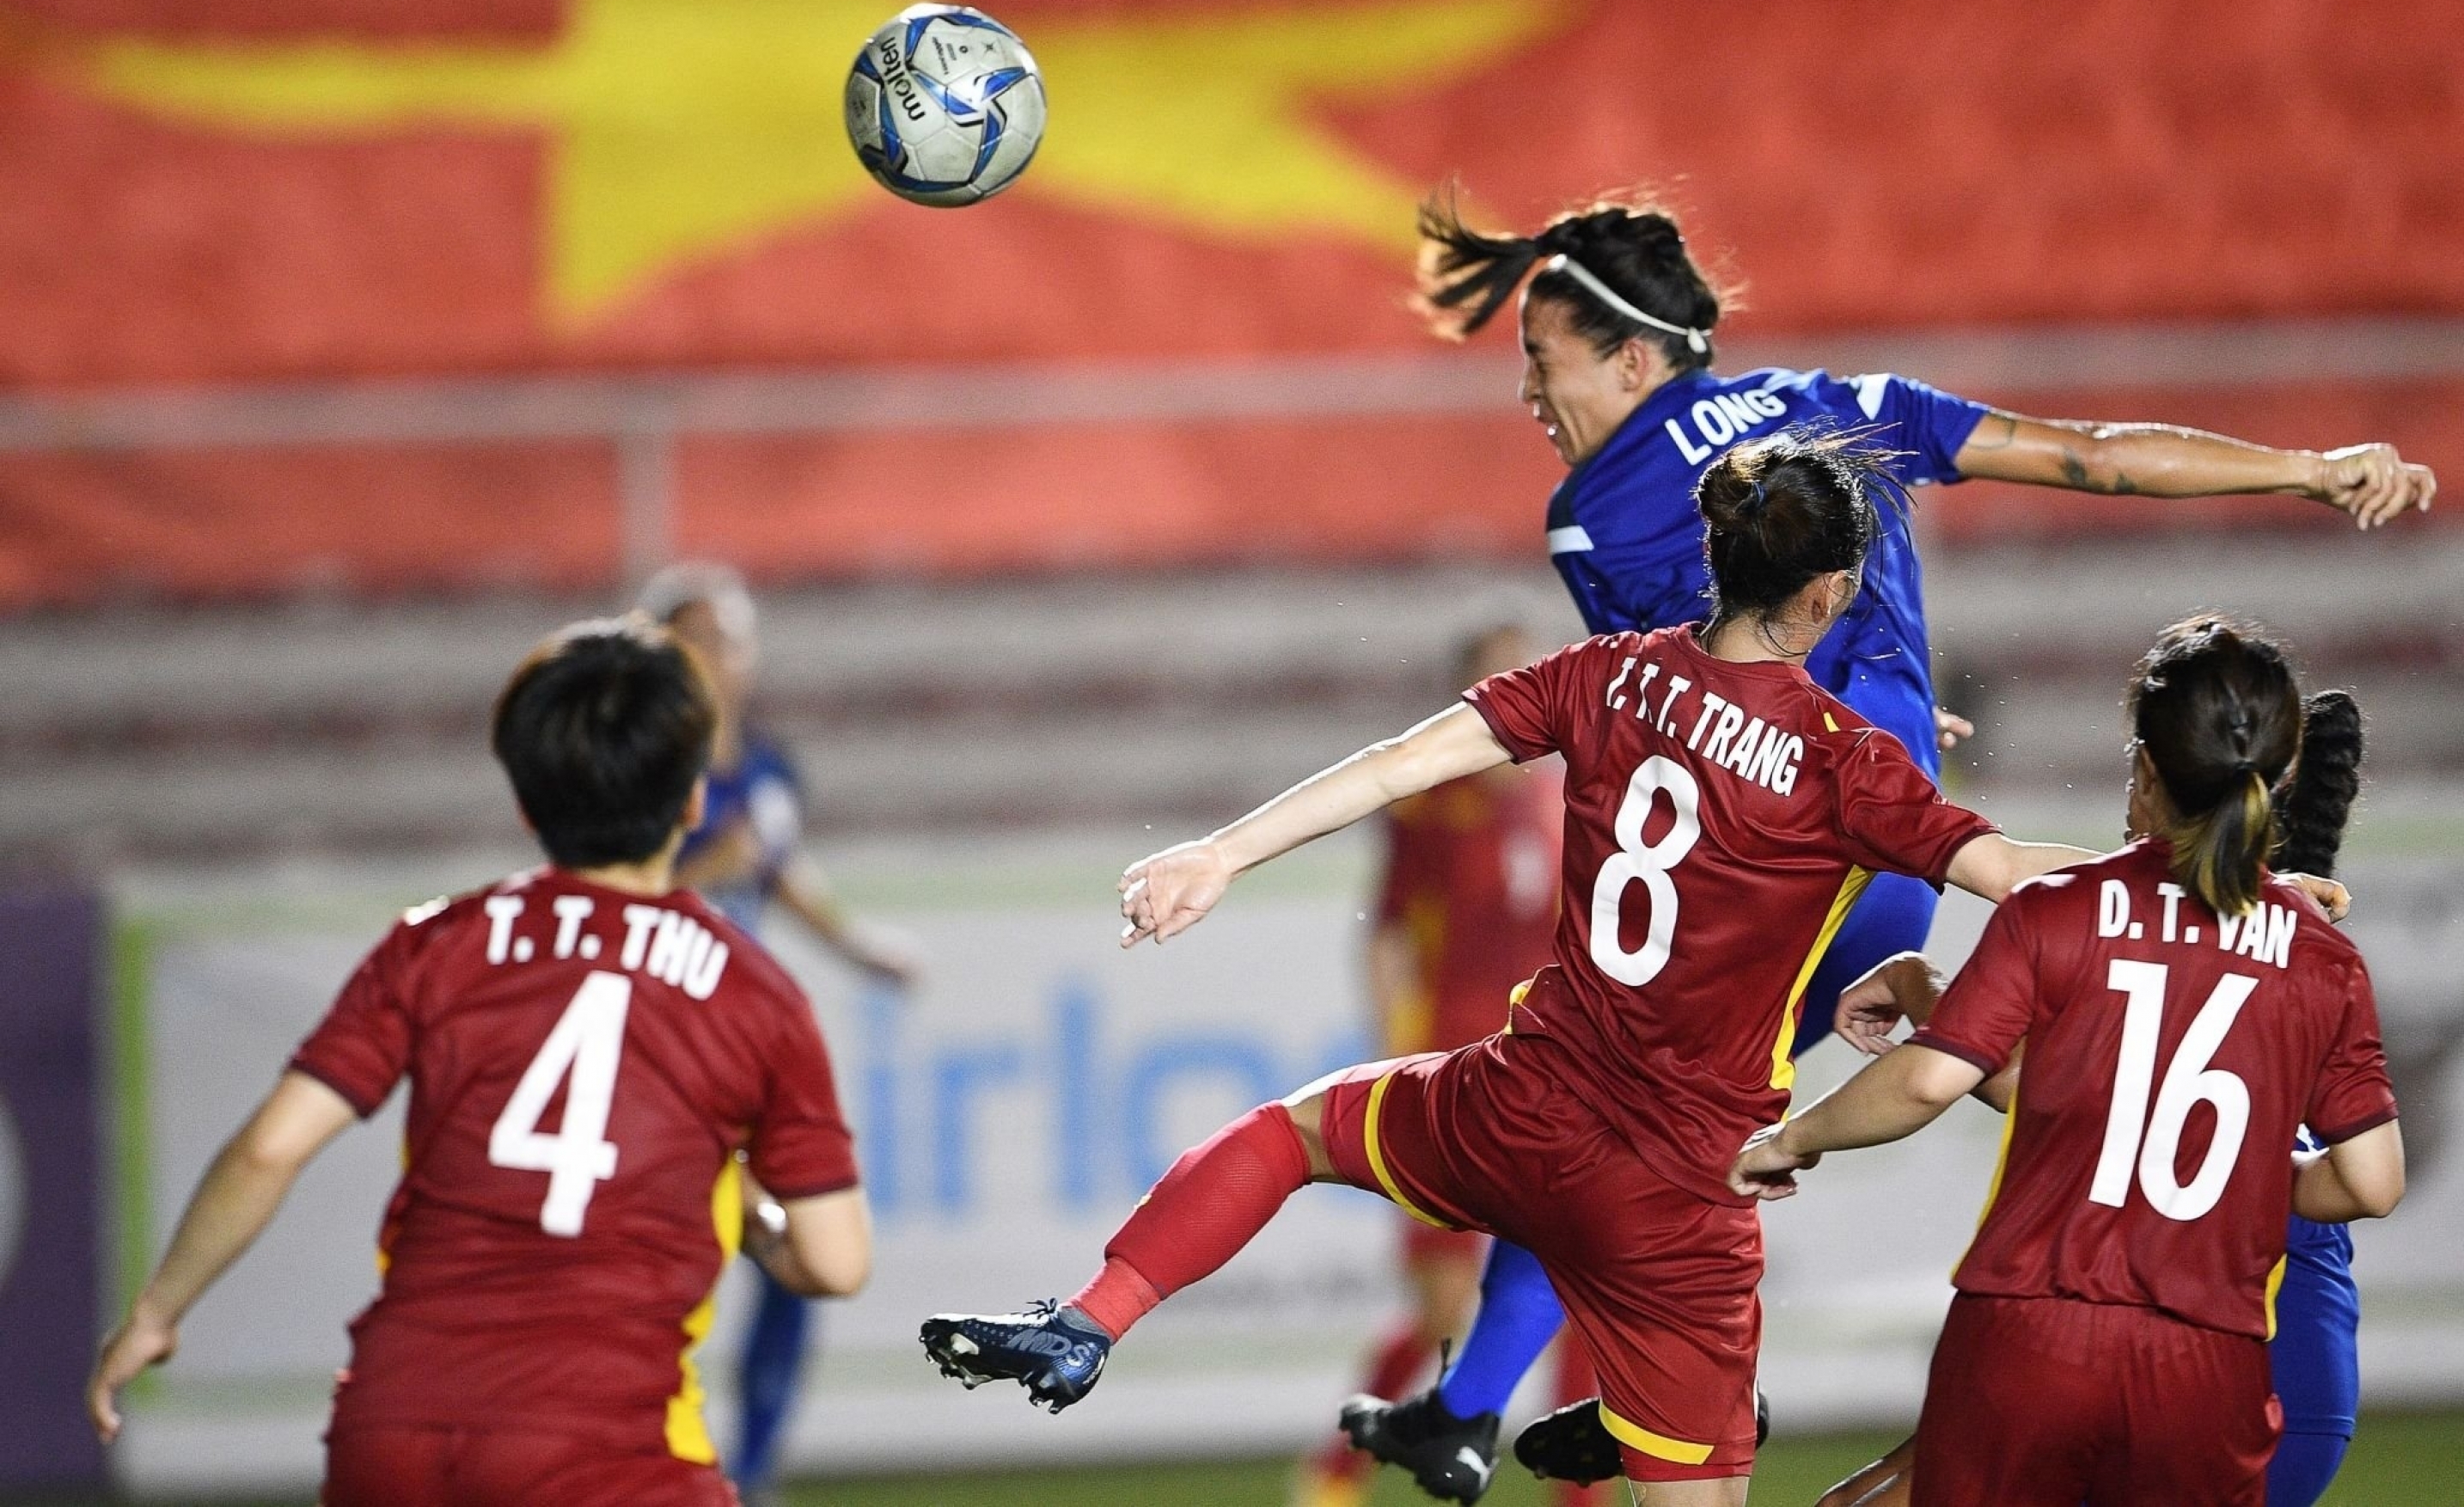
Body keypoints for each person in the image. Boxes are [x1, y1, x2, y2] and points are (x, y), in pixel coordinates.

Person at [1342, 187, 2438, 1498]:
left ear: (1630, 358)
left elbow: (1693, 691)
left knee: (1610, 1110)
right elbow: (2091, 453)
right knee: (1646, 1123)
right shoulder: (1842, 401)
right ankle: (1510, 1397)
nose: (1529, 390)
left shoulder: (1592, 507)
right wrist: (2300, 469)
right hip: (1890, 865)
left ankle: (1591, 1383)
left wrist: (1872, 731)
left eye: (1542, 358)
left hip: (1776, 863)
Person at [920, 432, 2107, 1504]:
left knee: (1289, 1134)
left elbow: (1399, 761)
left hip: (1516, 1111)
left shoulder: (1600, 672)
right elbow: (2012, 872)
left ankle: (1087, 1320)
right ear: (1832, 594)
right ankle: (1578, 1411)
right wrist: (2219, 878)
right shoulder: (1840, 759)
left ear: (1714, 555)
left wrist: (1217, 852)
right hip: (1678, 1192)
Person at [87, 616, 873, 1506]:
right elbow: (835, 1261)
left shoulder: (436, 943)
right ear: (695, 798)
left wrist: (156, 1312)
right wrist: (746, 1202)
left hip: (393, 1434)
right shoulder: (752, 990)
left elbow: (271, 1147)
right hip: (603, 1445)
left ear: (526, 803)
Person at [1731, 617, 2404, 1505]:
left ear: (2148, 766)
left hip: (2035, 1336)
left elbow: (1947, 1077)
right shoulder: (2319, 962)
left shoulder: (2065, 905)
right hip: (2218, 1371)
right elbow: (2369, 1181)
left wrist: (1784, 1139)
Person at [1290, 621, 1592, 1507]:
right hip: (1451, 1069)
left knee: (1573, 1281)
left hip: (1547, 1073)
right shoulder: (1427, 804)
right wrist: (1396, 1046)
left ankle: (1575, 1493)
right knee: (1447, 1304)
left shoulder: (1564, 798)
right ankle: (1338, 1466)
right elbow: (1386, 932)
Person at [639, 563, 918, 1500]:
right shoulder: (636, 773)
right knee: (668, 1262)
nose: (718, 659)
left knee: (796, 1257)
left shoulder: (764, 769)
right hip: (651, 1055)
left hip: (739, 1050)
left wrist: (856, 944)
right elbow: (601, 899)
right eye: (697, 638)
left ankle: (751, 1468)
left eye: (729, 639)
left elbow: (782, 871)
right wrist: (694, 870)